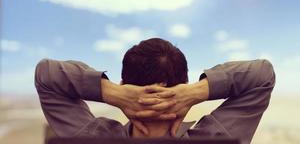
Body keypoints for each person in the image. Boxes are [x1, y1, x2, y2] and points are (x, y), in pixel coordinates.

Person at [35, 38, 275, 144]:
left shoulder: (92, 139)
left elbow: (47, 75)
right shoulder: (214, 137)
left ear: (124, 85)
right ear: (184, 84)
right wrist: (197, 92)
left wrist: (111, 94)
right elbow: (262, 76)